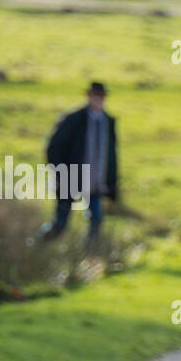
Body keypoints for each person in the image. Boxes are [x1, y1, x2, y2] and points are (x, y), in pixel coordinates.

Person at [41, 81, 118, 245]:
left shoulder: (108, 122)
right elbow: (53, 147)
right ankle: (40, 244)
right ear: (89, 96)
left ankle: (88, 258)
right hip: (71, 179)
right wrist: (60, 172)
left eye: (102, 97)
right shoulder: (74, 120)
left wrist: (112, 183)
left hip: (95, 182)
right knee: (61, 223)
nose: (99, 100)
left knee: (96, 220)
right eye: (96, 96)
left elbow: (112, 155)